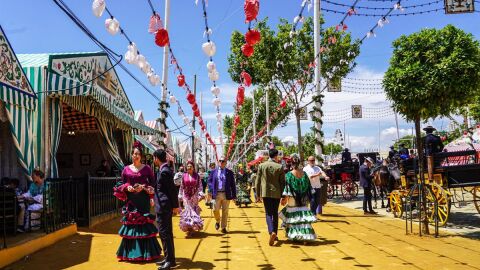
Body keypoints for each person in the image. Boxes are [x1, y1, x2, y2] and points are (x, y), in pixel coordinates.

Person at [113, 141, 161, 262]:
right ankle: (131, 253)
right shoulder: (126, 169)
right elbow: (120, 183)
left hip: (143, 200)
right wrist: (127, 187)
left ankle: (147, 253)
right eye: (134, 154)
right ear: (132, 155)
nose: (136, 156)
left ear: (141, 156)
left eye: (138, 154)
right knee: (132, 224)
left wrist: (144, 188)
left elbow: (153, 183)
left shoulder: (147, 169)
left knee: (144, 224)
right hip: (131, 201)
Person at [279, 154, 317, 242]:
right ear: (299, 163)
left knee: (294, 217)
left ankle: (295, 235)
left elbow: (287, 188)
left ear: (291, 164)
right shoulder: (304, 174)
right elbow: (308, 187)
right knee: (303, 217)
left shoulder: (289, 174)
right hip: (304, 197)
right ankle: (305, 237)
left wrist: (284, 198)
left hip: (293, 198)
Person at [153, 149, 180, 270]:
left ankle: (169, 260)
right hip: (162, 206)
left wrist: (175, 206)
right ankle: (169, 258)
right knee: (165, 233)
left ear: (156, 159)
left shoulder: (165, 171)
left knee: (165, 234)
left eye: (154, 158)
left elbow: (172, 191)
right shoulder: (163, 170)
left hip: (164, 207)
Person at [255, 148, 286, 246]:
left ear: (268, 155)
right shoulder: (279, 166)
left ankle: (271, 231)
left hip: (266, 193)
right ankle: (275, 233)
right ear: (276, 156)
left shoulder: (262, 165)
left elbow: (258, 181)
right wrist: (283, 195)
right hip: (276, 193)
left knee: (268, 213)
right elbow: (282, 182)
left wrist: (257, 194)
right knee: (275, 213)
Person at [208, 156, 236, 234]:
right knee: (215, 210)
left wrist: (234, 196)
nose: (221, 162)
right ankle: (217, 221)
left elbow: (233, 184)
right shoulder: (213, 172)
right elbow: (209, 181)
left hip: (226, 194)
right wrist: (211, 188)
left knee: (225, 211)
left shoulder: (229, 172)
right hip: (216, 194)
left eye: (223, 161)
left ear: (226, 163)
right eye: (220, 161)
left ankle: (223, 227)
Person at [178, 161, 204, 237]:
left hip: (194, 197)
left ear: (193, 168)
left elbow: (200, 186)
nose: (189, 167)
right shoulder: (184, 175)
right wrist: (180, 194)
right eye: (188, 166)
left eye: (190, 166)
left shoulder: (197, 176)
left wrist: (201, 193)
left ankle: (192, 229)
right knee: (187, 213)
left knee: (193, 213)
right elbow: (182, 186)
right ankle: (189, 229)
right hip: (186, 197)